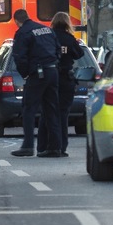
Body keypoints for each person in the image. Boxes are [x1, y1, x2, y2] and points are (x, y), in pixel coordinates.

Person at [10, 9, 62, 158]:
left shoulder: (23, 32)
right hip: (53, 72)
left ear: (17, 21)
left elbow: (19, 57)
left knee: (28, 109)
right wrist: (54, 63)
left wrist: (26, 73)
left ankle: (27, 146)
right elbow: (58, 50)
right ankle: (55, 147)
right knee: (51, 109)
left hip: (38, 74)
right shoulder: (46, 29)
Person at [36, 12, 84, 157]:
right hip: (65, 81)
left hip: (49, 79)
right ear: (67, 23)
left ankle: (43, 147)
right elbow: (79, 54)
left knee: (47, 114)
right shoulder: (69, 39)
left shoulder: (47, 37)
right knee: (63, 115)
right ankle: (61, 147)